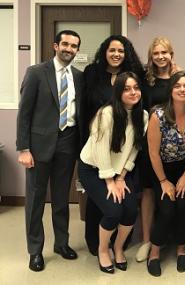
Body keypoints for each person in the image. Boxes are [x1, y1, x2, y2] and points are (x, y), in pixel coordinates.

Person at [17, 30, 83, 272]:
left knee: (61, 199)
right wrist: (23, 148)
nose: (69, 48)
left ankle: (61, 243)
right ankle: (35, 251)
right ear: (56, 45)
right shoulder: (36, 73)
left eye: (74, 46)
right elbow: (24, 113)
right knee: (35, 201)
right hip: (38, 146)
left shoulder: (78, 76)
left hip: (68, 143)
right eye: (65, 43)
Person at [78, 72, 148, 274]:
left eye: (136, 88)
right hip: (92, 169)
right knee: (113, 210)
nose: (133, 92)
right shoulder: (106, 114)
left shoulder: (142, 116)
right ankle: (103, 250)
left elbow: (134, 149)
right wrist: (110, 181)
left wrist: (121, 177)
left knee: (131, 210)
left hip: (118, 173)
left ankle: (118, 248)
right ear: (118, 93)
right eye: (127, 89)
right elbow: (100, 150)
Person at [146, 71, 185, 277]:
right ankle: (154, 252)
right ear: (171, 90)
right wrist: (163, 181)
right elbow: (152, 152)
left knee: (183, 206)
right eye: (178, 86)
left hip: (184, 168)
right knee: (168, 209)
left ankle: (181, 250)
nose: (182, 89)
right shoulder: (158, 115)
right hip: (161, 169)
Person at [136, 36, 180, 262]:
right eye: (156, 53)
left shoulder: (179, 78)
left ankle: (169, 237)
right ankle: (146, 240)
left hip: (175, 146)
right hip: (150, 142)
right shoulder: (146, 80)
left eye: (165, 52)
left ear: (171, 54)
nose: (161, 57)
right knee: (148, 191)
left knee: (171, 192)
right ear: (151, 57)